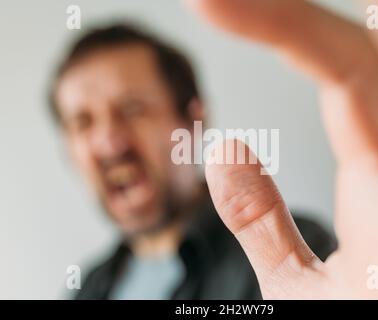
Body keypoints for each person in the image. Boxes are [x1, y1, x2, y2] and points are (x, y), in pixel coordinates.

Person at [48, 23, 336, 300]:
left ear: (194, 121)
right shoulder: (86, 288)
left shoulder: (296, 254)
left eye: (133, 109)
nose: (110, 143)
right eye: (82, 123)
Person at [187, 0, 378, 298]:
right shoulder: (122, 268)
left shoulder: (304, 243)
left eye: (135, 110)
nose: (120, 142)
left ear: (192, 117)